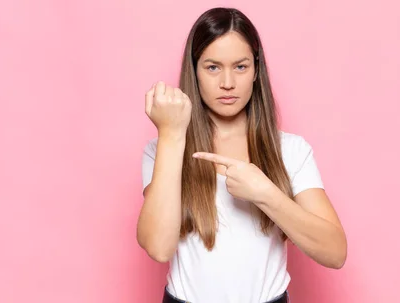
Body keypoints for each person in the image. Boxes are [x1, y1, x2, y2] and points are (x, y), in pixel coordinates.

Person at [137, 7, 347, 303]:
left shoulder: (291, 150)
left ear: (256, 70)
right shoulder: (162, 150)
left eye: (240, 67)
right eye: (212, 67)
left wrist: (266, 194)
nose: (227, 82)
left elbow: (335, 252)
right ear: (194, 70)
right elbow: (158, 247)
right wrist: (172, 135)